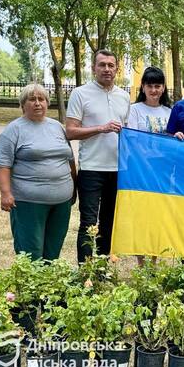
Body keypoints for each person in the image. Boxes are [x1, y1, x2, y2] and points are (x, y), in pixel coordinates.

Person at [0, 84, 76, 261]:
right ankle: (31, 287)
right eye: (32, 99)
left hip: (61, 202)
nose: (37, 103)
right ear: (23, 104)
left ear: (47, 103)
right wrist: (6, 193)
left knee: (53, 250)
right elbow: (3, 165)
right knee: (30, 251)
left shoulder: (57, 127)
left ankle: (48, 287)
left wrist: (74, 187)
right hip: (28, 202)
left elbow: (69, 158)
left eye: (41, 99)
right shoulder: (13, 130)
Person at [66, 49, 130, 262]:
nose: (107, 69)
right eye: (102, 65)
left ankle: (103, 271)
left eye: (111, 65)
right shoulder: (80, 93)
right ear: (93, 68)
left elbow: (128, 133)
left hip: (117, 169)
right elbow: (70, 131)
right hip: (92, 168)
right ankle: (86, 272)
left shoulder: (124, 96)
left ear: (117, 69)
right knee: (88, 223)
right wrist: (101, 128)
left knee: (109, 222)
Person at [127, 66, 172, 133]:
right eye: (149, 86)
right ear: (143, 87)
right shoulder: (134, 110)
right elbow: (132, 137)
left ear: (163, 88)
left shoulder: (169, 112)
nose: (153, 90)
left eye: (157, 86)